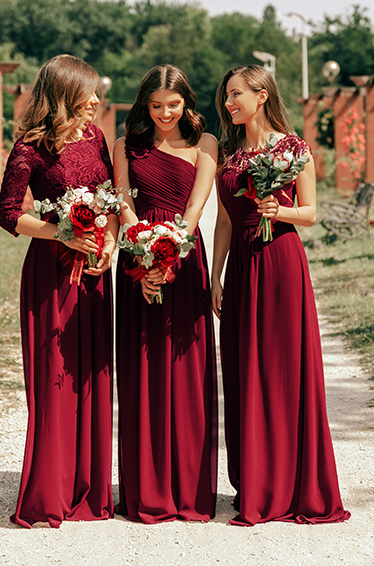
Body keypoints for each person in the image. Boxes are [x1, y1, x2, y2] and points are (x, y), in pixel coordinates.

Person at [211, 65, 350, 526]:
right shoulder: (229, 153)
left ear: (262, 95)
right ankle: (257, 480)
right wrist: (216, 274)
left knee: (283, 369)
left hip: (280, 260)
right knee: (244, 368)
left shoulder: (294, 148)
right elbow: (226, 220)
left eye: (235, 94)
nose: (228, 103)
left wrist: (281, 209)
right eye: (226, 96)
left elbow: (310, 214)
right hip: (243, 267)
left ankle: (293, 484)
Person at [0, 54, 117, 528]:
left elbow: (107, 195)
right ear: (65, 93)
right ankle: (49, 490)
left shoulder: (97, 137)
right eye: (88, 93)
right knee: (54, 380)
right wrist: (60, 234)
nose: (96, 101)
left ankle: (89, 487)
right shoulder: (30, 148)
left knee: (90, 377)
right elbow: (8, 214)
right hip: (50, 276)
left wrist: (106, 244)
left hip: (93, 274)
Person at [113, 64, 218, 523]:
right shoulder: (124, 145)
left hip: (185, 255)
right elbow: (123, 201)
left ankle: (189, 488)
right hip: (137, 259)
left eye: (172, 105)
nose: (164, 113)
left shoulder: (205, 144)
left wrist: (170, 252)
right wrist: (143, 256)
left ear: (186, 102)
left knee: (185, 369)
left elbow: (196, 204)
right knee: (142, 368)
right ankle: (146, 488)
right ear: (144, 104)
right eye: (155, 106)